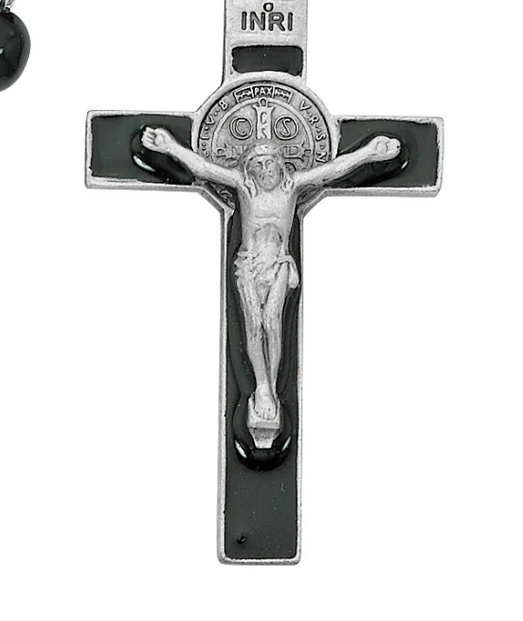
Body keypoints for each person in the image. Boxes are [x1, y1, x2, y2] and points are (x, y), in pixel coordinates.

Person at [141, 128, 400, 439]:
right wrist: (170, 147)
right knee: (254, 324)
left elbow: (332, 170)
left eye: (270, 163)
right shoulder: (244, 187)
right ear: (249, 169)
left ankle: (270, 389)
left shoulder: (292, 188)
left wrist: (369, 153)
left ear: (281, 164)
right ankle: (261, 385)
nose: (265, 170)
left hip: (278, 264)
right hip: (249, 265)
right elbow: (203, 168)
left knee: (272, 323)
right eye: (257, 165)